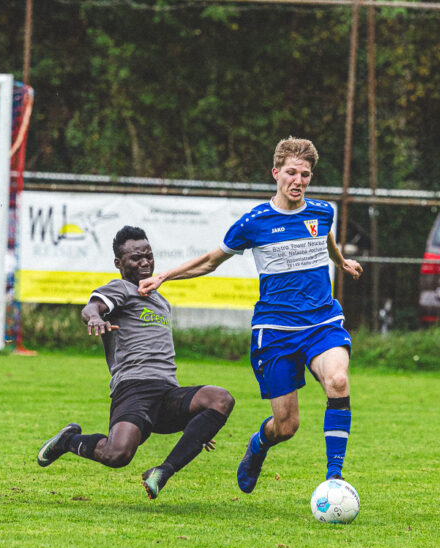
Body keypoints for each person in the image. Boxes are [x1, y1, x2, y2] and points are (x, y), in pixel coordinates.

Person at [138, 137, 363, 493]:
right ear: (276, 173)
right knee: (286, 426)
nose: (299, 180)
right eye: (291, 172)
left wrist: (341, 261)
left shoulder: (322, 212)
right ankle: (258, 444)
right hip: (275, 331)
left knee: (338, 382)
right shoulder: (254, 222)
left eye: (305, 174)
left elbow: (326, 240)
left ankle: (334, 476)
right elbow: (211, 261)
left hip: (321, 322)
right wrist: (165, 275)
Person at [37, 225, 235, 499]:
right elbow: (92, 306)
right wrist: (94, 317)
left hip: (166, 392)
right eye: (136, 258)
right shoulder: (121, 289)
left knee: (220, 399)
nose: (145, 262)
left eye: (148, 256)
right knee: (117, 455)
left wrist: (201, 424)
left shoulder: (161, 300)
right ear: (119, 263)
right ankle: (69, 441)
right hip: (133, 388)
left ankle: (162, 471)